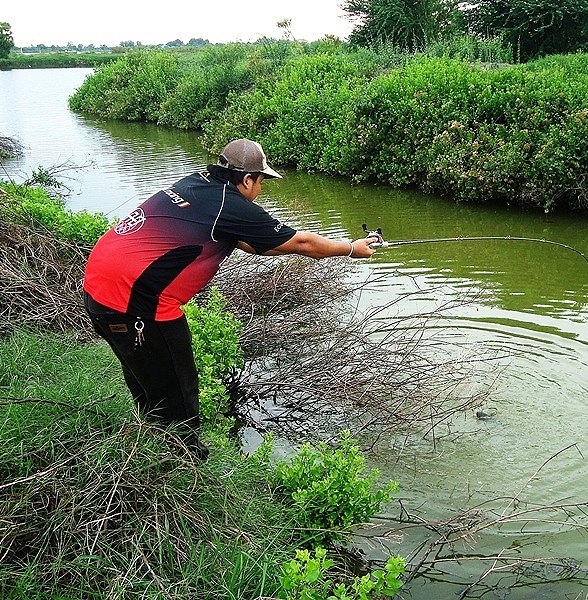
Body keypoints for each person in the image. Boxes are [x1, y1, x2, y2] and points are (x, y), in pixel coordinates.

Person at [83, 138, 377, 460]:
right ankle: (186, 470)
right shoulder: (232, 205)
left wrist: (305, 249)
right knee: (179, 394)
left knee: (146, 380)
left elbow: (248, 240)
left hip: (98, 290)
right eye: (262, 181)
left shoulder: (195, 184)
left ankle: (149, 451)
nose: (261, 189)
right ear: (247, 179)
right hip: (138, 305)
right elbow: (304, 243)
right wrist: (351, 248)